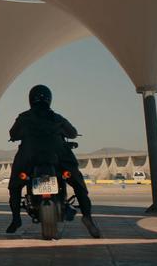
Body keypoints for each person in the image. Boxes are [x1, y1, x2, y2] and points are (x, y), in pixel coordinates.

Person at [6, 84, 101, 238]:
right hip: (58, 157)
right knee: (77, 182)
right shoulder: (57, 117)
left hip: (29, 158)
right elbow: (73, 132)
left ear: (31, 99)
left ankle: (16, 219)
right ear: (49, 99)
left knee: (15, 186)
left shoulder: (23, 117)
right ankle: (87, 216)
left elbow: (13, 133)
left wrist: (20, 135)